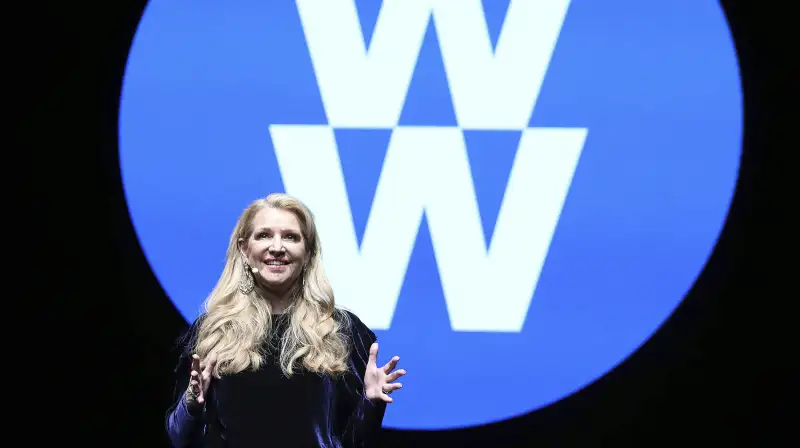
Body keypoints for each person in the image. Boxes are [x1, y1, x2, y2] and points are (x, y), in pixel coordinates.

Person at [165, 193, 406, 447]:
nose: (277, 247)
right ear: (244, 249)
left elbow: (355, 442)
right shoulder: (212, 331)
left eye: (290, 237)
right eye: (264, 235)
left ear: (308, 252)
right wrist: (190, 406)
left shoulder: (341, 331)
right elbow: (177, 438)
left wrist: (371, 402)